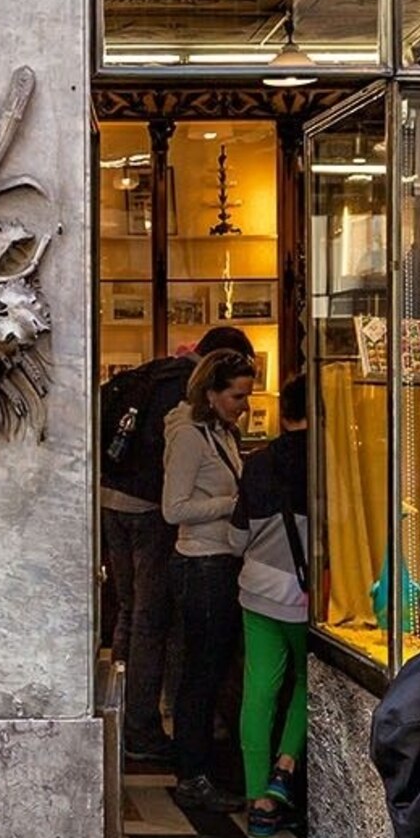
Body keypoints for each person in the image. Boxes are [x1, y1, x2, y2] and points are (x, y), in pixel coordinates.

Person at [100, 324, 253, 768]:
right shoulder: (187, 405)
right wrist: (227, 502)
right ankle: (141, 727)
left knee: (131, 612)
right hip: (148, 509)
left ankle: (124, 717)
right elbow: (176, 501)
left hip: (114, 499)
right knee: (151, 617)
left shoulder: (155, 373)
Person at [160, 345, 257, 810]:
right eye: (238, 396)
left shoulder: (221, 433)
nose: (246, 405)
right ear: (213, 393)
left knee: (211, 670)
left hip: (220, 561)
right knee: (200, 673)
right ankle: (191, 774)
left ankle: (202, 767)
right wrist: (231, 505)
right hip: (200, 565)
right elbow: (173, 508)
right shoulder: (190, 438)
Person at [232, 374, 312, 838]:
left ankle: (257, 798)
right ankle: (285, 768)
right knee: (306, 681)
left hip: (258, 588)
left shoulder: (258, 463)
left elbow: (237, 536)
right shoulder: (330, 459)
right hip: (308, 596)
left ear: (283, 412)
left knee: (259, 689)